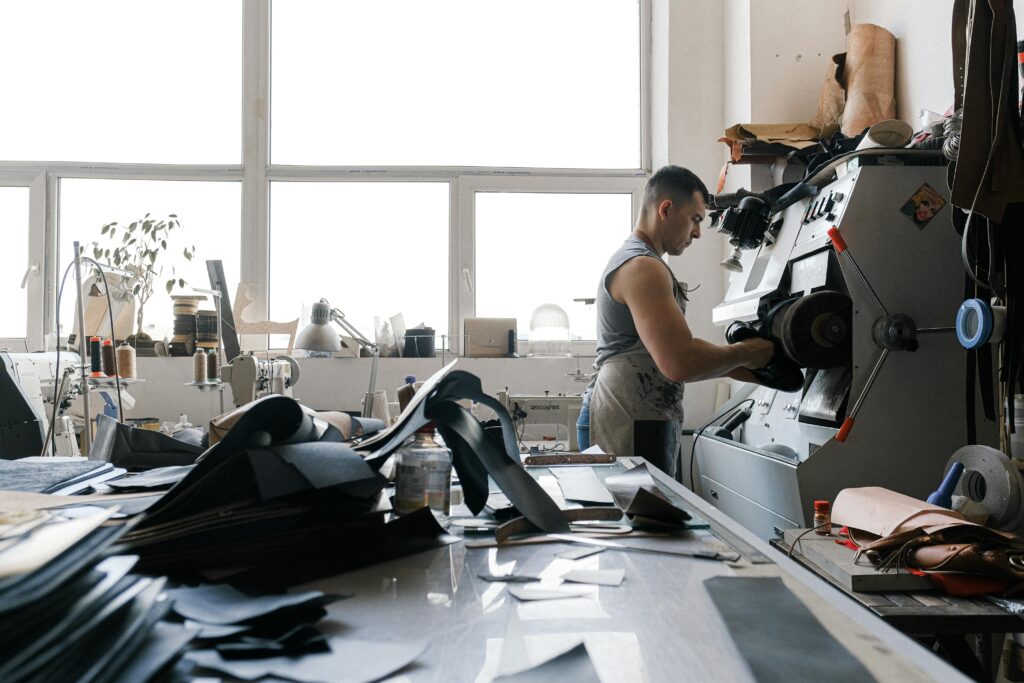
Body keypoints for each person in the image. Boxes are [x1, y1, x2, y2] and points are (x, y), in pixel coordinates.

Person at [578, 165, 775, 478]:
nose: (698, 232)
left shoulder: (644, 262)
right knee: (642, 523)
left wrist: (767, 373)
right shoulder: (642, 267)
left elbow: (681, 355)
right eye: (695, 219)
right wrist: (750, 352)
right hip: (626, 414)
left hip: (640, 409)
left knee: (651, 519)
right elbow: (679, 361)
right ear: (666, 209)